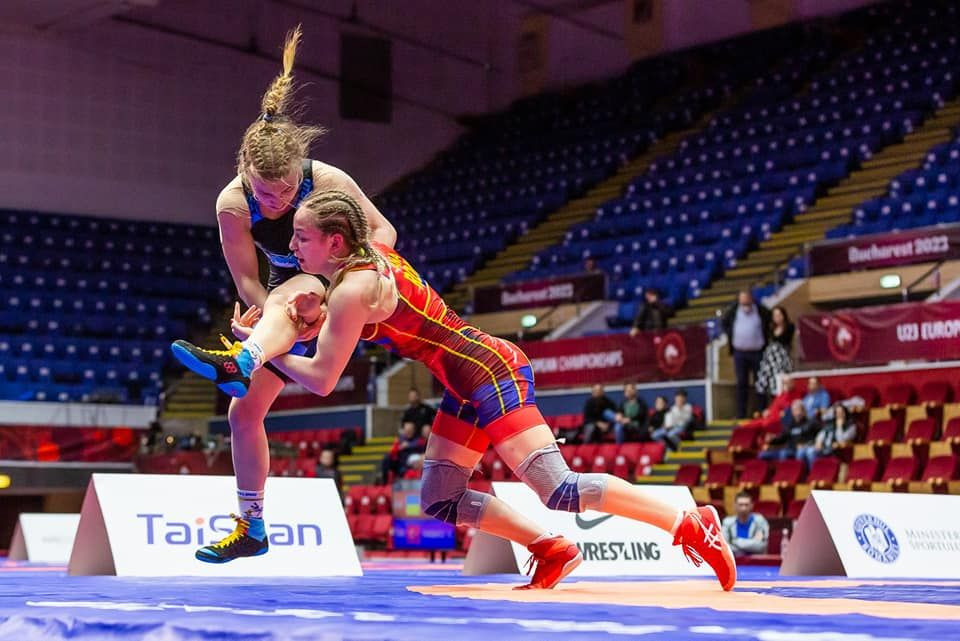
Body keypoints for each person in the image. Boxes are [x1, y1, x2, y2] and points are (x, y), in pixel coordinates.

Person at [172, 191, 736, 590]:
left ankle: (690, 524)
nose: (292, 250)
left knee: (557, 488)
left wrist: (269, 349)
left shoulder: (352, 290)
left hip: (490, 368)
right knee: (440, 497)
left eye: (302, 239)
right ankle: (551, 549)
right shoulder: (362, 267)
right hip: (461, 381)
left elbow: (320, 379)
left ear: (335, 241)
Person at [168, 28, 396, 564]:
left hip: (339, 279)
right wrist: (265, 313)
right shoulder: (232, 203)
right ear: (245, 172)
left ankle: (242, 357)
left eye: (290, 190)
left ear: (303, 170)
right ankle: (252, 525)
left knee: (294, 289)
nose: (279, 201)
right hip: (283, 298)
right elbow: (248, 279)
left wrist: (343, 288)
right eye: (268, 194)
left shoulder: (330, 180)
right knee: (242, 415)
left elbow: (384, 233)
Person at [721, 290, 771, 419]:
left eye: (747, 298)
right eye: (742, 299)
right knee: (741, 383)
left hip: (758, 352)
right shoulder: (733, 311)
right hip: (740, 353)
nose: (745, 301)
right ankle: (741, 414)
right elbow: (724, 323)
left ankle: (762, 411)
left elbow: (769, 322)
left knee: (760, 383)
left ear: (752, 298)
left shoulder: (760, 310)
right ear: (738, 300)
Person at [796, 403, 857, 471]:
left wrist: (839, 427)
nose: (839, 414)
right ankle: (805, 473)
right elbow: (822, 433)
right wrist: (819, 441)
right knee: (804, 451)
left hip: (837, 451)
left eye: (841, 412)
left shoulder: (851, 425)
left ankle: (815, 471)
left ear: (845, 413)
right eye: (837, 413)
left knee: (810, 452)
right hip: (824, 447)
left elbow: (842, 440)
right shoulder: (831, 424)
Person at [755, 306, 794, 409]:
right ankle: (764, 408)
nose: (777, 317)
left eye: (779, 315)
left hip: (781, 357)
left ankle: (779, 406)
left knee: (779, 382)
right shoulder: (769, 328)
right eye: (775, 315)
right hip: (770, 357)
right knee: (764, 381)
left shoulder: (789, 327)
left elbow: (786, 340)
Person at [721, 491, 769, 556]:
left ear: (752, 505)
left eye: (746, 505)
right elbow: (724, 547)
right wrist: (752, 544)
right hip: (734, 562)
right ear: (735, 505)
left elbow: (761, 546)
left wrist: (734, 541)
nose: (744, 508)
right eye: (740, 505)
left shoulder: (760, 521)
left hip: (756, 562)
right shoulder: (727, 523)